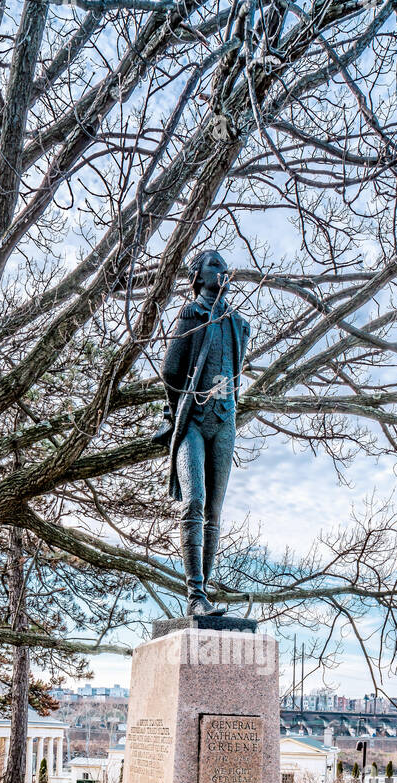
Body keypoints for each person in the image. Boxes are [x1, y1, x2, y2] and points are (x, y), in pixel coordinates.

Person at [153, 249, 250, 616]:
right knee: (193, 501)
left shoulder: (239, 324)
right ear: (198, 276)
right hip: (192, 419)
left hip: (225, 421)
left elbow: (236, 372)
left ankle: (205, 594)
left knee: (215, 510)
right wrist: (174, 407)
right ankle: (195, 595)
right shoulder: (191, 314)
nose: (223, 271)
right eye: (215, 266)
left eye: (226, 268)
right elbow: (170, 369)